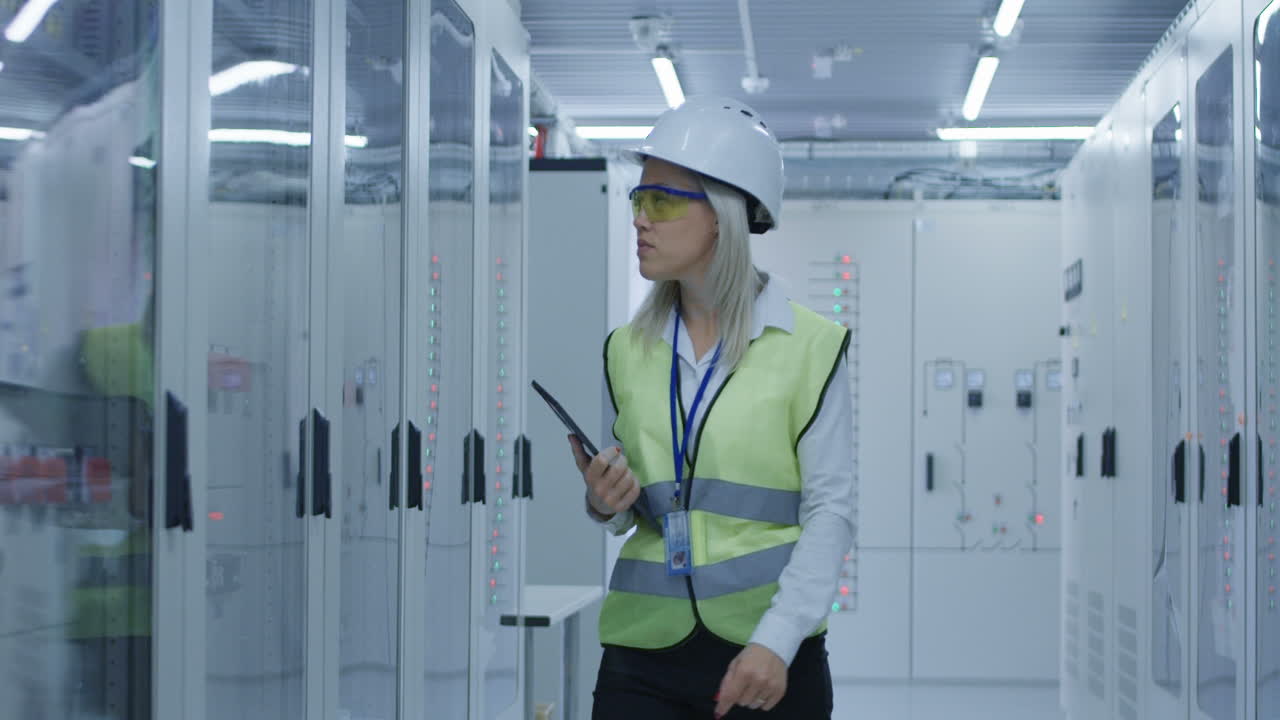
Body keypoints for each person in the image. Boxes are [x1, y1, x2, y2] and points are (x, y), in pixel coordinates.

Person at [567, 96, 855, 719]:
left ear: (724, 214)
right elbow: (628, 512)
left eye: (661, 201)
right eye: (637, 200)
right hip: (640, 655)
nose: (640, 219)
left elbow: (831, 512)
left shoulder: (812, 348)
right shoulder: (626, 350)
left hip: (765, 659)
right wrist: (602, 501)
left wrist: (777, 642)